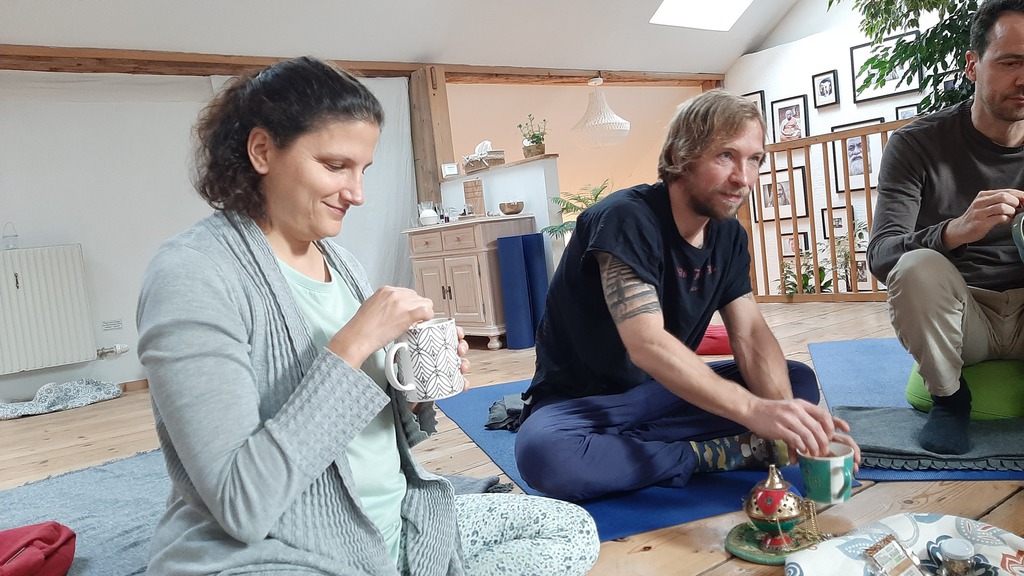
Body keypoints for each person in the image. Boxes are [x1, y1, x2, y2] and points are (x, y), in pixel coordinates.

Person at [136, 56, 599, 575]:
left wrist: (412, 390)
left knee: (567, 530)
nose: (357, 194)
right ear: (262, 150)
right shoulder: (193, 276)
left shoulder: (342, 264)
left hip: (394, 528)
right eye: (335, 166)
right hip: (281, 551)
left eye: (363, 170)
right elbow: (242, 504)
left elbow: (373, 436)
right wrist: (352, 346)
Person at [514, 89, 861, 501]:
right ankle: (705, 454)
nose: (744, 178)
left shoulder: (728, 235)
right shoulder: (625, 218)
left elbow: (750, 335)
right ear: (682, 154)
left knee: (796, 381)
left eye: (754, 159)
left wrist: (787, 419)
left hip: (663, 395)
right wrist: (753, 411)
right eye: (726, 156)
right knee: (544, 452)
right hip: (585, 406)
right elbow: (647, 345)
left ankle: (631, 453)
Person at [867, 0, 1024, 456]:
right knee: (916, 264)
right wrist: (955, 231)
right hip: (961, 319)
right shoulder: (916, 144)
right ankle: (949, 399)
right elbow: (882, 255)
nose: (1023, 78)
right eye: (1010, 62)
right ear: (973, 66)